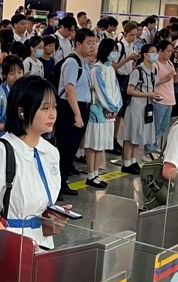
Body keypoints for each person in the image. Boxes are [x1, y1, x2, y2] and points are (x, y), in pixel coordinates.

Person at [0, 75, 68, 249]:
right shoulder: (2, 150)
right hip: (12, 243)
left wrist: (54, 218)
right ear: (22, 111)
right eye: (44, 108)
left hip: (43, 243)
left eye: (54, 106)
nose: (52, 114)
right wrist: (11, 243)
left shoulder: (51, 152)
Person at [55, 28, 96, 199]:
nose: (92, 46)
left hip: (81, 107)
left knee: (71, 149)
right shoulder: (72, 62)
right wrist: (77, 115)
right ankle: (56, 186)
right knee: (65, 148)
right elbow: (70, 90)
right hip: (70, 109)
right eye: (89, 43)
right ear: (78, 44)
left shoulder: (84, 62)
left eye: (94, 43)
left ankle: (62, 182)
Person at [84, 39, 122, 189]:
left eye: (116, 51)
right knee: (93, 143)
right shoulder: (97, 69)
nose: (115, 53)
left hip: (110, 113)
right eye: (113, 50)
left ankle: (96, 174)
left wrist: (116, 107)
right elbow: (100, 92)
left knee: (101, 145)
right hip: (98, 112)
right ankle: (90, 175)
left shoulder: (111, 69)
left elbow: (116, 90)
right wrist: (111, 107)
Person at [121, 43, 161, 175]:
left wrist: (153, 96)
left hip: (147, 106)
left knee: (139, 134)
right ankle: (126, 163)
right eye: (153, 52)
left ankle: (133, 160)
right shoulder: (138, 71)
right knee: (131, 134)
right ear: (145, 55)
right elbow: (130, 90)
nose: (155, 55)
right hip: (136, 106)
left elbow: (152, 88)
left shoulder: (154, 71)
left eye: (156, 52)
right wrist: (148, 94)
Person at [0, 55, 25, 140]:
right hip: (2, 140)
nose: (17, 77)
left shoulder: (26, 92)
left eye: (19, 72)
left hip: (20, 139)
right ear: (4, 75)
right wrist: (14, 127)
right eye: (12, 74)